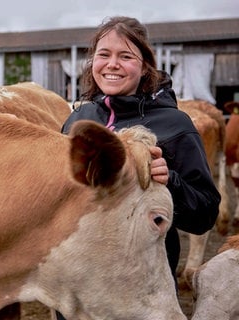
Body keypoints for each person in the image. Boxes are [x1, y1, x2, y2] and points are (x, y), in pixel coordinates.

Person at [54, 16, 221, 320]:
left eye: (126, 56)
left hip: (140, 288)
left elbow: (205, 215)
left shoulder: (175, 126)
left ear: (145, 65)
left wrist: (169, 180)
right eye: (103, 54)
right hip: (77, 279)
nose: (112, 64)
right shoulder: (78, 120)